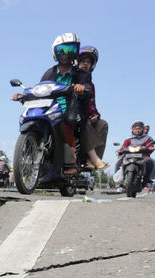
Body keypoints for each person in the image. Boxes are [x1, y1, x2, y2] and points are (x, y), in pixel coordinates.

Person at [13, 33, 92, 175]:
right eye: (62, 50)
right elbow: (40, 88)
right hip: (49, 106)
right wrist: (23, 96)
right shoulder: (49, 72)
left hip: (69, 107)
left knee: (65, 126)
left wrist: (82, 88)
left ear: (76, 52)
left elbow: (88, 88)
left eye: (71, 50)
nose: (66, 54)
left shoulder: (81, 74)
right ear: (55, 53)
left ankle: (69, 162)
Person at [76, 46, 109, 170]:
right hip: (73, 113)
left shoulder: (90, 83)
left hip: (87, 115)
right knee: (84, 122)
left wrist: (94, 116)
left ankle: (90, 160)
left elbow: (91, 104)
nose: (85, 64)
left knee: (103, 124)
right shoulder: (72, 75)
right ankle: (94, 158)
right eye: (83, 61)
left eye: (88, 62)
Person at [115, 121, 155, 187]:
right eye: (135, 128)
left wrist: (150, 148)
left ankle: (146, 180)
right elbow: (123, 147)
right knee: (119, 162)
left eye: (139, 128)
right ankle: (118, 181)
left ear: (142, 129)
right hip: (129, 156)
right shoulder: (128, 139)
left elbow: (150, 146)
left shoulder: (146, 138)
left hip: (143, 157)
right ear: (132, 130)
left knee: (149, 161)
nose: (137, 130)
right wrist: (120, 150)